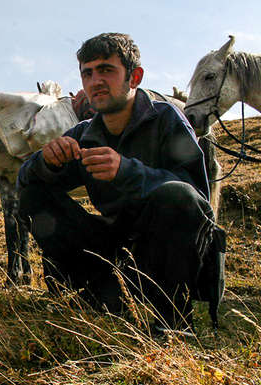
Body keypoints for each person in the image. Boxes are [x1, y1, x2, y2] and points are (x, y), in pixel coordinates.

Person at [17, 33, 223, 331]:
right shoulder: (84, 134)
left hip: (166, 251)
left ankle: (173, 322)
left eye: (106, 70)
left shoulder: (167, 119)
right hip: (115, 249)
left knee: (178, 195)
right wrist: (44, 162)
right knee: (33, 196)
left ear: (134, 77)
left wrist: (127, 171)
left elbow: (197, 199)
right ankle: (100, 300)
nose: (95, 81)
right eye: (87, 73)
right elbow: (26, 183)